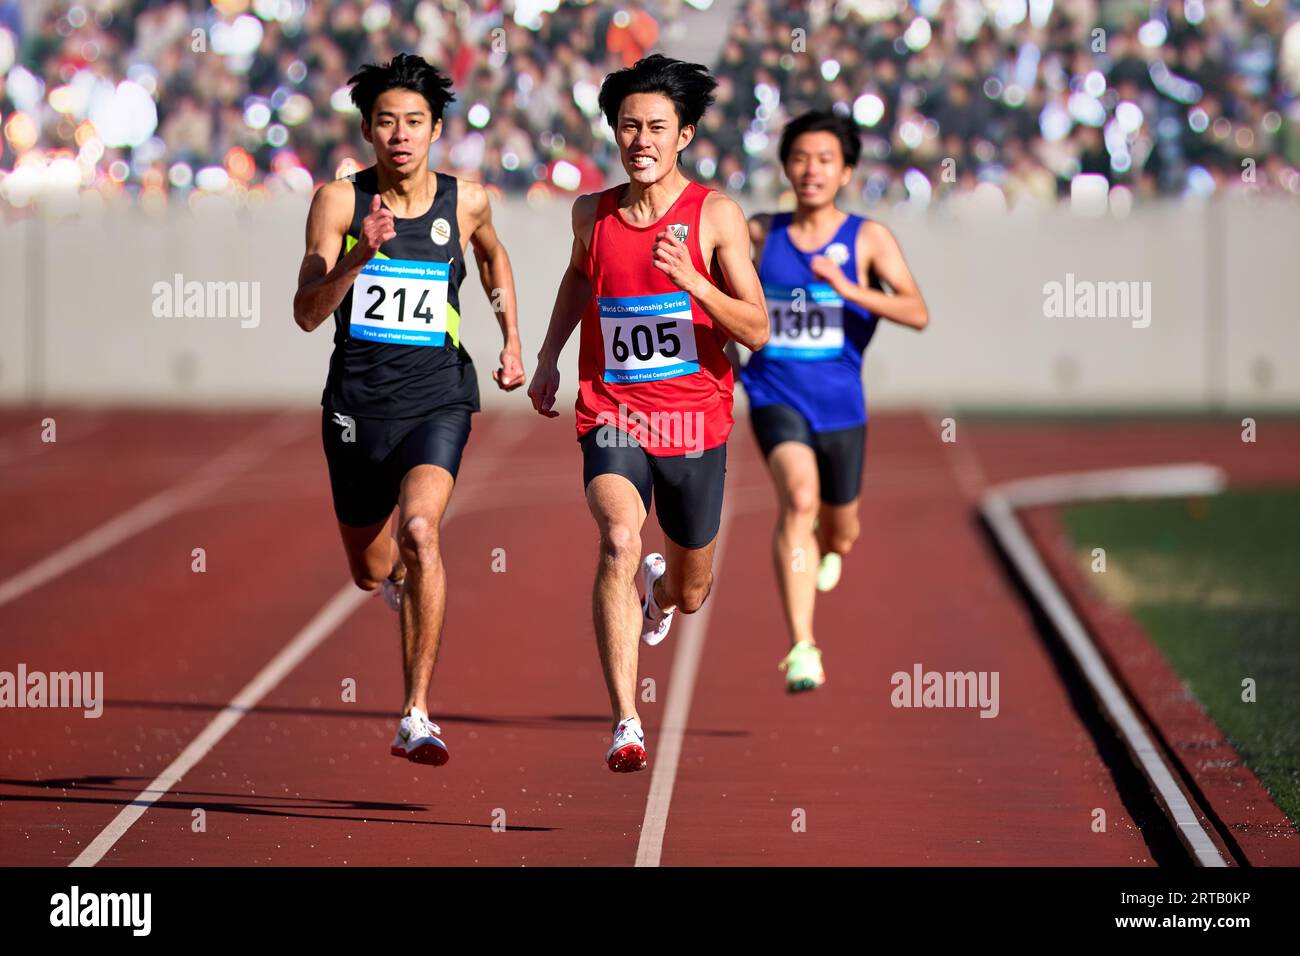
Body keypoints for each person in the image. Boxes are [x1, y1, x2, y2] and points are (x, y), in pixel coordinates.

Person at [527, 54, 768, 772]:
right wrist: (547, 358)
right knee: (618, 542)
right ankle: (627, 722)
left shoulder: (716, 214)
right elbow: (579, 278)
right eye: (629, 126)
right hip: (614, 412)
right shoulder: (590, 215)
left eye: (657, 127)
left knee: (692, 589)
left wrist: (693, 277)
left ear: (684, 134)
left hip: (695, 422)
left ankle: (659, 597)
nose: (641, 140)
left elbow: (755, 329)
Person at [292, 53, 525, 766]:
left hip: (438, 398)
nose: (401, 134)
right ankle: (392, 577)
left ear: (435, 130)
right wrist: (360, 254)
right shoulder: (339, 203)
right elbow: (306, 313)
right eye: (387, 122)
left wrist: (511, 336)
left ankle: (415, 713)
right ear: (367, 129)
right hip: (357, 410)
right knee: (371, 569)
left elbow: (492, 258)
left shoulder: (470, 199)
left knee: (422, 532)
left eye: (414, 122)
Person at [738, 110, 928, 693]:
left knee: (842, 531)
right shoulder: (760, 232)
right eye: (799, 158)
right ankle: (802, 647)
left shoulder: (868, 238)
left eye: (824, 160)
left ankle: (832, 537)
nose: (810, 170)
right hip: (773, 392)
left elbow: (917, 312)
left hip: (842, 405)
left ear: (845, 171)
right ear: (786, 167)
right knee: (798, 499)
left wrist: (848, 289)